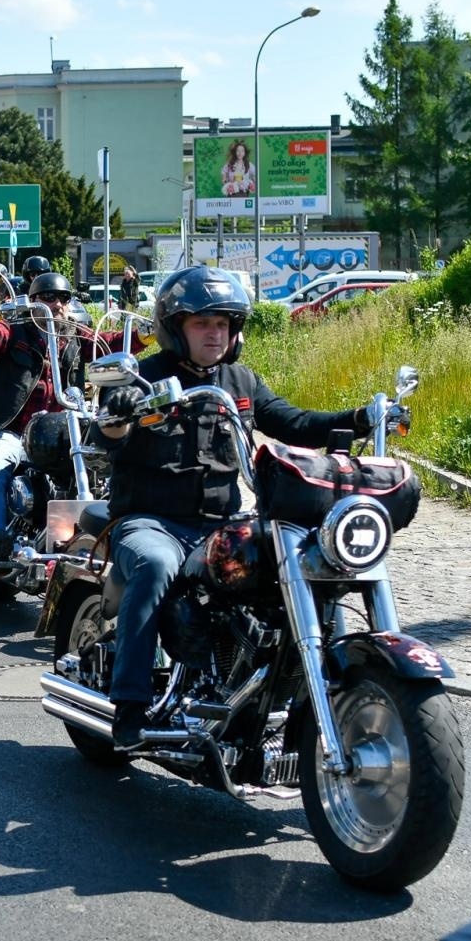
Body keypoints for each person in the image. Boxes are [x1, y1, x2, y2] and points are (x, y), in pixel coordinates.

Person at [94, 266, 388, 749]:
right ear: (175, 328)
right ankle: (130, 706)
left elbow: (292, 421)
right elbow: (104, 436)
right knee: (157, 565)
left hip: (222, 524)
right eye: (202, 323)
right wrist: (118, 411)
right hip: (152, 522)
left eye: (224, 324)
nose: (215, 333)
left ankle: (296, 690)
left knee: (306, 563)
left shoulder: (240, 380)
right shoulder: (143, 379)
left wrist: (356, 418)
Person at [0, 265, 114, 568]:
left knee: (111, 463)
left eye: (62, 298)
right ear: (33, 301)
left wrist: (143, 335)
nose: (56, 305)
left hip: (64, 433)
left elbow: (107, 344)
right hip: (14, 431)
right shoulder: (15, 331)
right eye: (47, 297)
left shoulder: (75, 335)